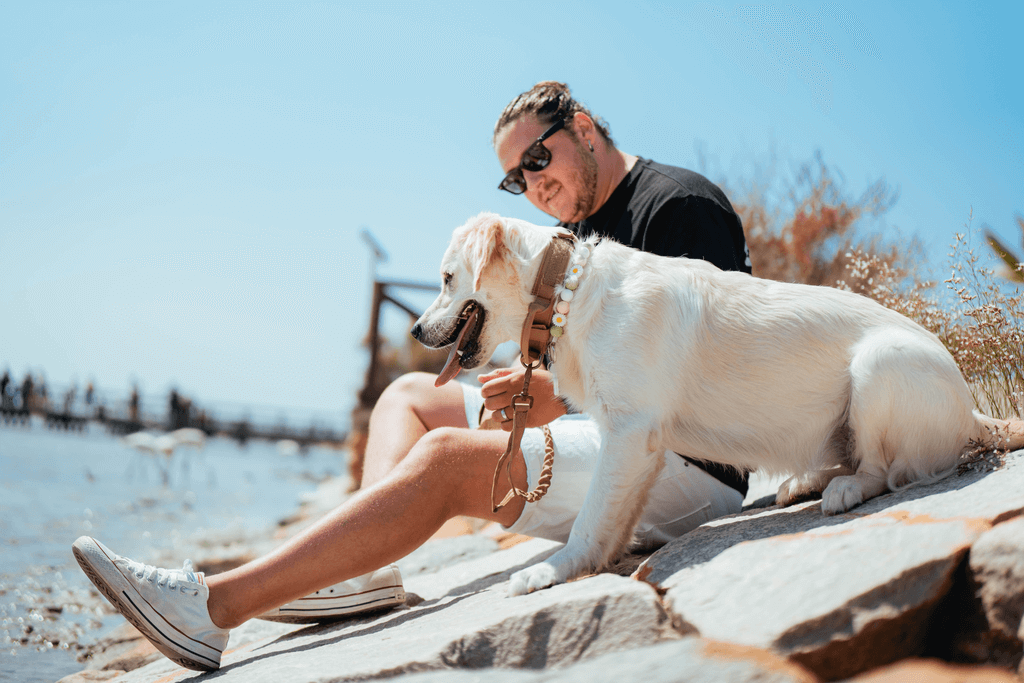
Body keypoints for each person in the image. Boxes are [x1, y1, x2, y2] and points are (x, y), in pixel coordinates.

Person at [72, 81, 752, 672]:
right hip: (607, 436)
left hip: (688, 469)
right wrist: (532, 380)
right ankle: (363, 570)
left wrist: (560, 394)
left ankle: (213, 607)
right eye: (516, 179)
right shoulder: (580, 229)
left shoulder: (679, 207)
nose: (533, 184)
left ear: (582, 129)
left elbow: (710, 375)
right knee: (408, 397)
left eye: (538, 159)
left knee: (447, 459)